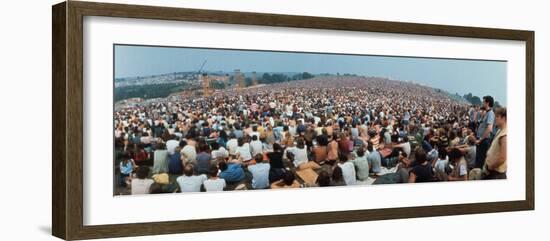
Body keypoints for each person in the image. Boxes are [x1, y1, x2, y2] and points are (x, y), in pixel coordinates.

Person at [483, 107, 507, 179]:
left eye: (497, 116)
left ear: (504, 118)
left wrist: (491, 167)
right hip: (492, 171)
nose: (495, 118)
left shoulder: (505, 135)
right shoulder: (500, 131)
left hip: (496, 173)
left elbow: (502, 158)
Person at [475, 95, 495, 168]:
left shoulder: (490, 113)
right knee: (478, 160)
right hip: (481, 140)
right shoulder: (486, 112)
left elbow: (489, 128)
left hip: (483, 141)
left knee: (480, 161)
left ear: (487, 103)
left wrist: (480, 139)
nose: (482, 103)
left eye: (483, 102)